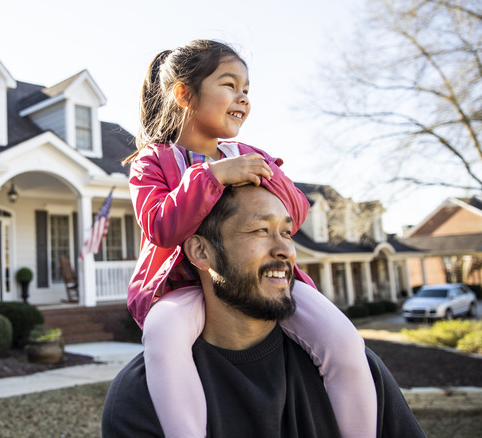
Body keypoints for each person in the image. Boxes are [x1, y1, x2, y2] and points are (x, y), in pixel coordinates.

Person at [123, 39, 376, 437]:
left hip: (264, 280)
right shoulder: (153, 160)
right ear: (184, 93)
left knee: (342, 339)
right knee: (162, 335)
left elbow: (296, 209)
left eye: (246, 89)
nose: (242, 97)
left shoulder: (248, 152)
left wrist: (266, 173)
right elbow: (160, 227)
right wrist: (212, 176)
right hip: (185, 286)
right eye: (229, 85)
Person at [103, 185, 426, 437]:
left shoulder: (354, 367)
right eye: (260, 231)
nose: (285, 250)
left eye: (286, 232)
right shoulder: (140, 395)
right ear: (201, 251)